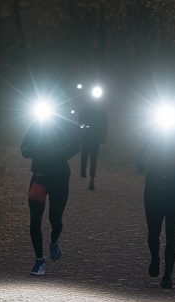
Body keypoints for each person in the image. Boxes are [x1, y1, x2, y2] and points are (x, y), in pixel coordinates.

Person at [137, 114, 175, 289]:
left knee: (171, 231)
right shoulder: (152, 133)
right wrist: (140, 159)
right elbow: (140, 154)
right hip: (154, 190)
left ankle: (168, 274)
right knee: (153, 231)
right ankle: (155, 258)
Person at [20, 103, 78, 275]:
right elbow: (24, 148)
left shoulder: (66, 125)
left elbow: (76, 146)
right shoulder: (37, 124)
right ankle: (39, 260)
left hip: (59, 178)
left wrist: (55, 154)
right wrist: (33, 151)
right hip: (39, 176)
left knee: (55, 218)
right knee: (35, 219)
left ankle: (54, 240)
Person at [79, 83, 109, 189]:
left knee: (93, 159)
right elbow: (80, 118)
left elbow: (105, 123)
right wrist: (81, 130)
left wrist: (103, 136)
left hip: (95, 136)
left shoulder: (101, 108)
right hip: (86, 135)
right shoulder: (86, 106)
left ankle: (92, 179)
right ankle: (83, 169)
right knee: (84, 155)